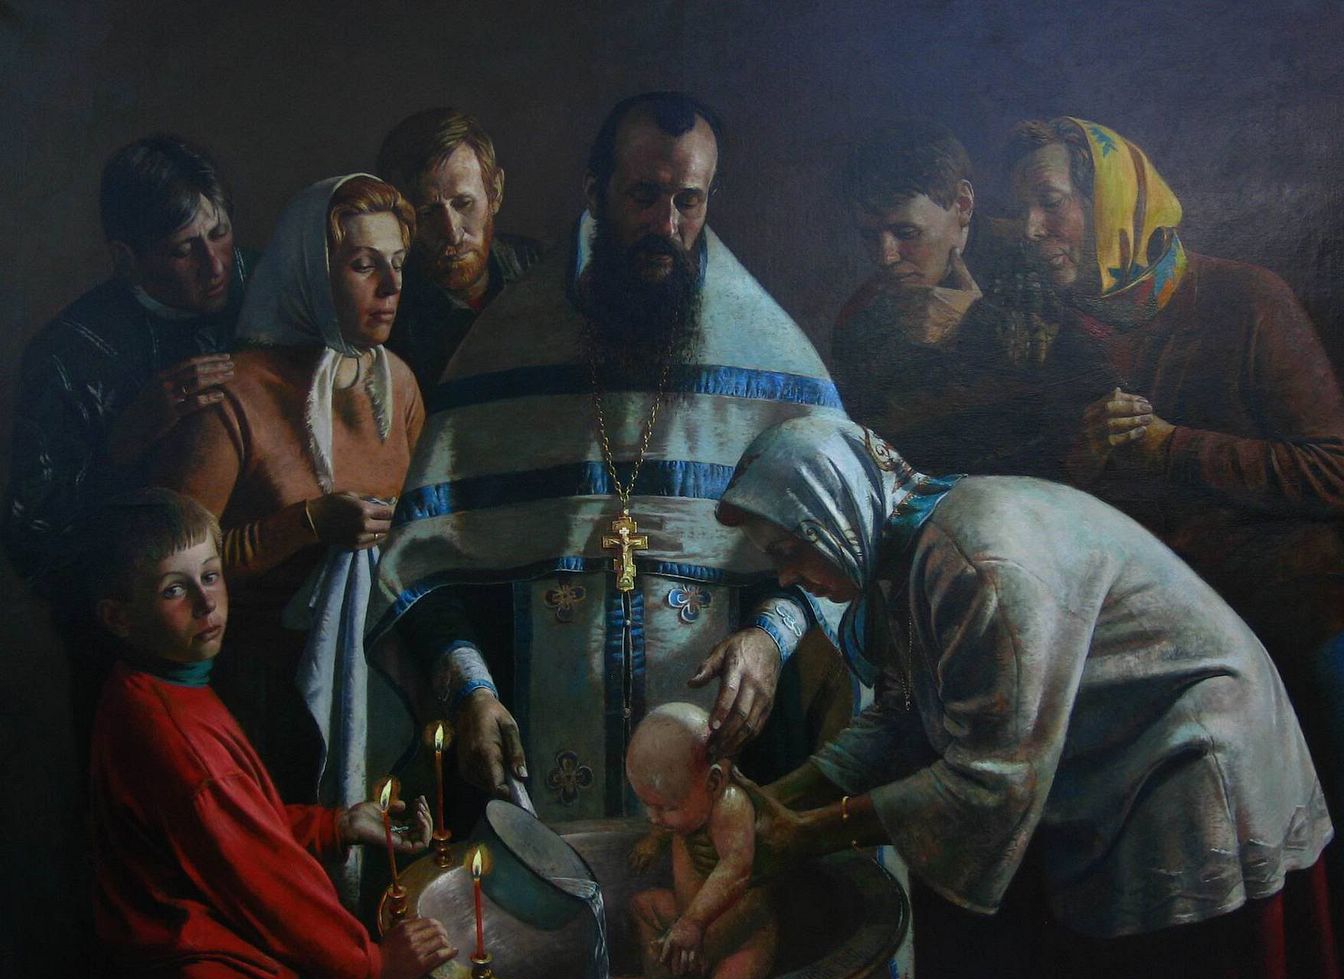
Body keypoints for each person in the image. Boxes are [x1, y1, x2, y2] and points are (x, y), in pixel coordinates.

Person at [716, 415, 1344, 979]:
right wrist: (780, 798)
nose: (785, 577)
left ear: (834, 508)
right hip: (1117, 760)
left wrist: (807, 834)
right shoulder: (906, 557)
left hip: (1194, 762)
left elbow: (991, 779)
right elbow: (904, 717)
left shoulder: (974, 557)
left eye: (790, 550)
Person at [1007, 115, 1344, 979]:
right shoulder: (1075, 343)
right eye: (1024, 210)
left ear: (1112, 204)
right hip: (1181, 676)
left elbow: (1335, 477)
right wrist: (1085, 464)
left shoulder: (1244, 298)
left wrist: (1169, 446)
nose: (1031, 229)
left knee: (1324, 910)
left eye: (1050, 204)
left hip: (1297, 644)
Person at [370, 91, 850, 827]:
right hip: (538, 766)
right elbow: (425, 566)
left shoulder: (772, 358)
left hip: (724, 758)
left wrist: (768, 639)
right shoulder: (504, 351)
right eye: (644, 196)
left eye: (688, 201)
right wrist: (471, 691)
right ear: (596, 194)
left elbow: (839, 548)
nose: (666, 226)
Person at [83, 487, 455, 979]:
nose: (206, 603)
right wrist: (373, 964)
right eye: (174, 589)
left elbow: (226, 829)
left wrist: (333, 825)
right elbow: (263, 877)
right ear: (118, 617)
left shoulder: (153, 689)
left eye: (211, 576)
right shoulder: (178, 737)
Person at [152, 175, 424, 823]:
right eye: (364, 265)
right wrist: (307, 524)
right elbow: (171, 569)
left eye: (398, 263)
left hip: (381, 678)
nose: (391, 286)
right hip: (260, 697)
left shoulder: (397, 384)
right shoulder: (235, 396)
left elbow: (424, 535)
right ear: (309, 272)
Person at [2, 134, 254, 729]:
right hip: (134, 661)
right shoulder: (67, 356)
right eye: (184, 250)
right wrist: (123, 444)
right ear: (125, 258)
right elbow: (32, 535)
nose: (216, 264)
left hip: (261, 624)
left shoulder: (270, 289)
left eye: (219, 233)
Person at [831, 123, 1097, 476]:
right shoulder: (860, 319)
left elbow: (1085, 384)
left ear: (963, 204)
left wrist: (974, 322)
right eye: (870, 236)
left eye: (906, 233)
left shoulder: (1041, 257)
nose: (886, 256)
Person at [617, 702, 776, 979]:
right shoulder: (691, 802)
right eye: (648, 805)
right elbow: (669, 822)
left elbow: (736, 868)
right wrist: (655, 839)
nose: (654, 818)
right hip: (688, 918)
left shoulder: (730, 806)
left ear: (713, 782)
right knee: (643, 906)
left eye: (666, 808)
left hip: (738, 938)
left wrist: (693, 923)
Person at [375, 107, 541, 389]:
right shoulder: (386, 314)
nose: (452, 234)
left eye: (463, 204)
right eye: (427, 213)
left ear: (495, 191)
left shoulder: (544, 269)